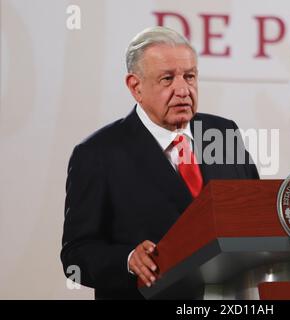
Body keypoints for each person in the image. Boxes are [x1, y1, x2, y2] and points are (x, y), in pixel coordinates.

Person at [60, 26, 259, 300]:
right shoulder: (97, 154)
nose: (182, 89)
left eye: (190, 76)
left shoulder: (224, 133)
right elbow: (76, 254)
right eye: (167, 79)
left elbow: (256, 216)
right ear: (135, 86)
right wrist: (128, 259)